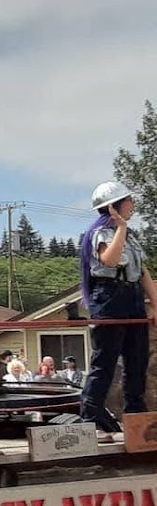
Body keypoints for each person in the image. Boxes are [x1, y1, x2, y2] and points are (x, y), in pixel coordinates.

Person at [79, 180, 157, 443]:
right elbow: (109, 260)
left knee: (137, 361)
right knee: (105, 362)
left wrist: (155, 304)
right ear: (113, 207)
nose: (133, 205)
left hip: (132, 296)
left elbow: (143, 272)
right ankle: (91, 418)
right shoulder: (101, 233)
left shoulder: (131, 236)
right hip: (109, 298)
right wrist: (120, 228)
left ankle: (136, 416)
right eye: (128, 201)